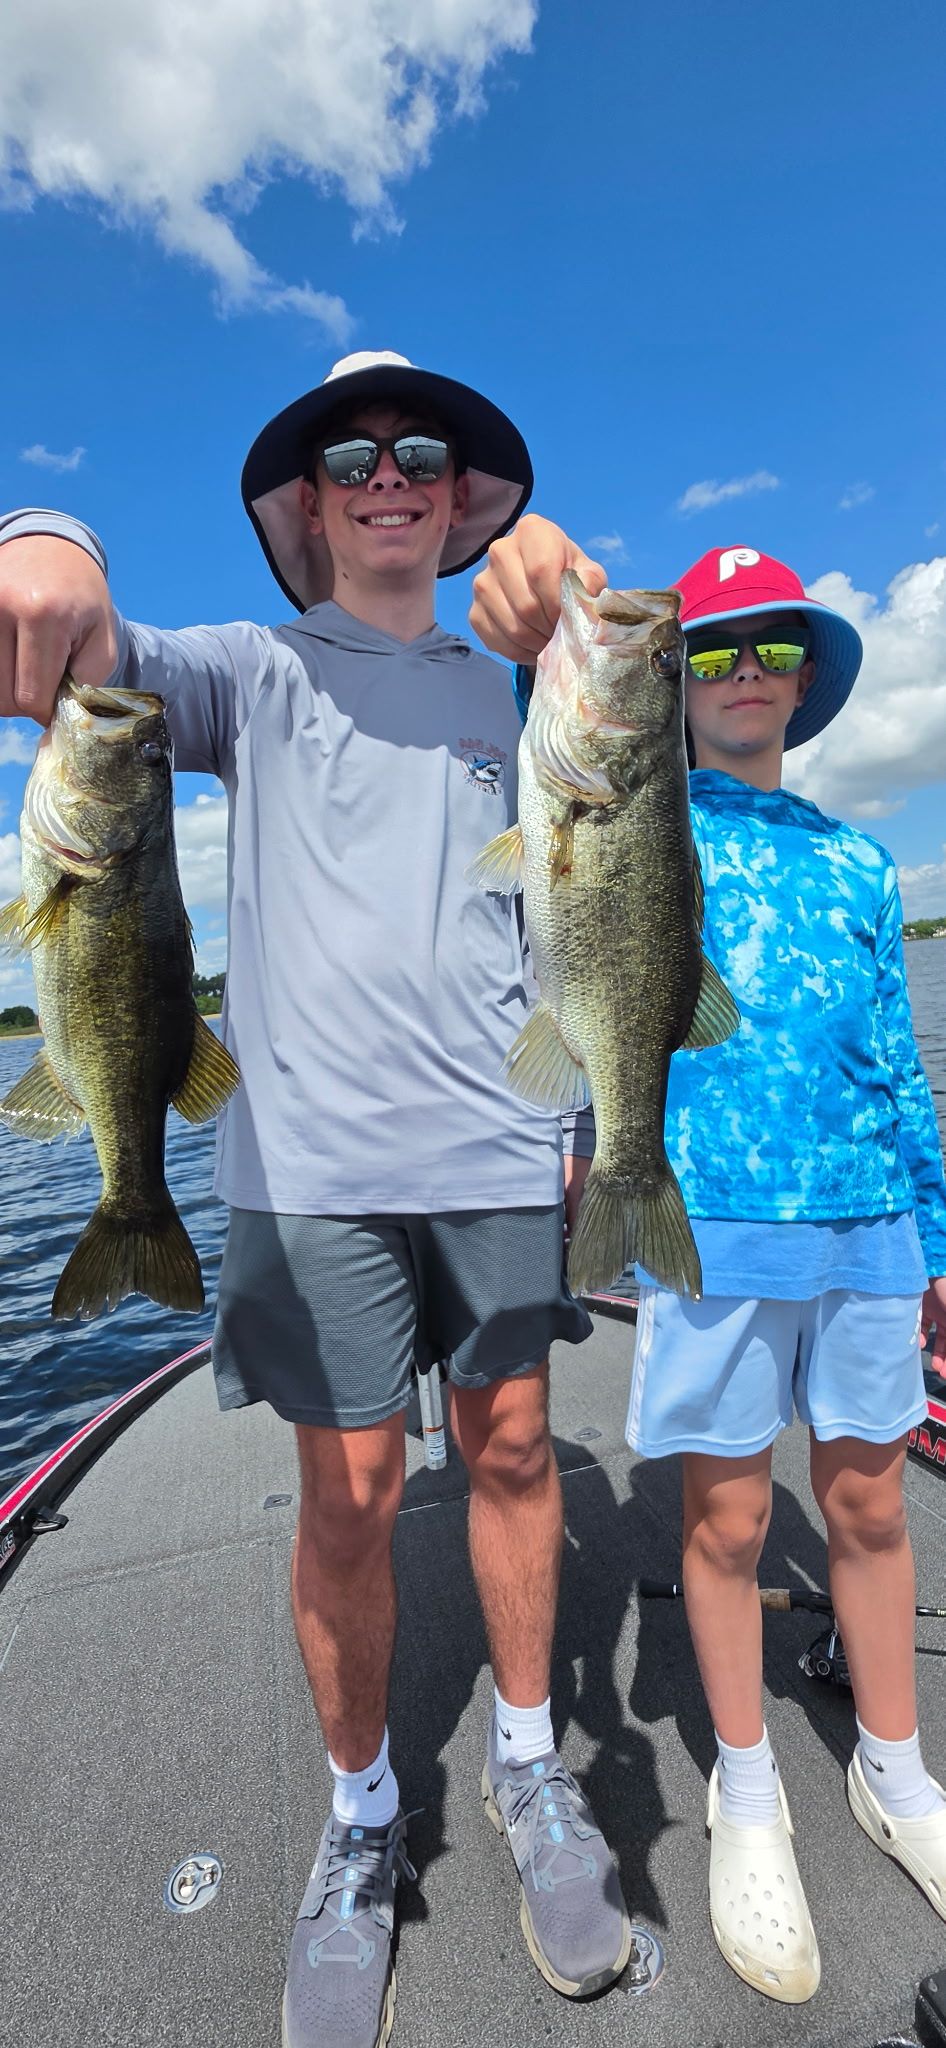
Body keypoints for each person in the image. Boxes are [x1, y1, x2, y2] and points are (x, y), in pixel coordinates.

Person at [0, 355, 633, 2048]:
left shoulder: (529, 685)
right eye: (348, 455)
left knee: (510, 1455)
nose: (385, 473)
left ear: (460, 493)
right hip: (307, 1167)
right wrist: (49, 534)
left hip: (500, 1151)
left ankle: (523, 1771)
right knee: (348, 1498)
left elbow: (621, 666)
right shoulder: (240, 675)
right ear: (302, 502)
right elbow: (73, 651)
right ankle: (360, 1820)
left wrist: (563, 568)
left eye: (422, 452)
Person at [471, 521, 946, 2004]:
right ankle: (749, 1796)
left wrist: (932, 1235)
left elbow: (899, 1065)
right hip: (711, 1219)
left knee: (866, 1504)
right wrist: (549, 603)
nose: (743, 669)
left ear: (804, 679)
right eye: (711, 649)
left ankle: (894, 1770)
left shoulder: (863, 859)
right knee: (731, 1524)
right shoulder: (636, 802)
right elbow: (553, 734)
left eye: (771, 647)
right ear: (672, 685)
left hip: (864, 1222)